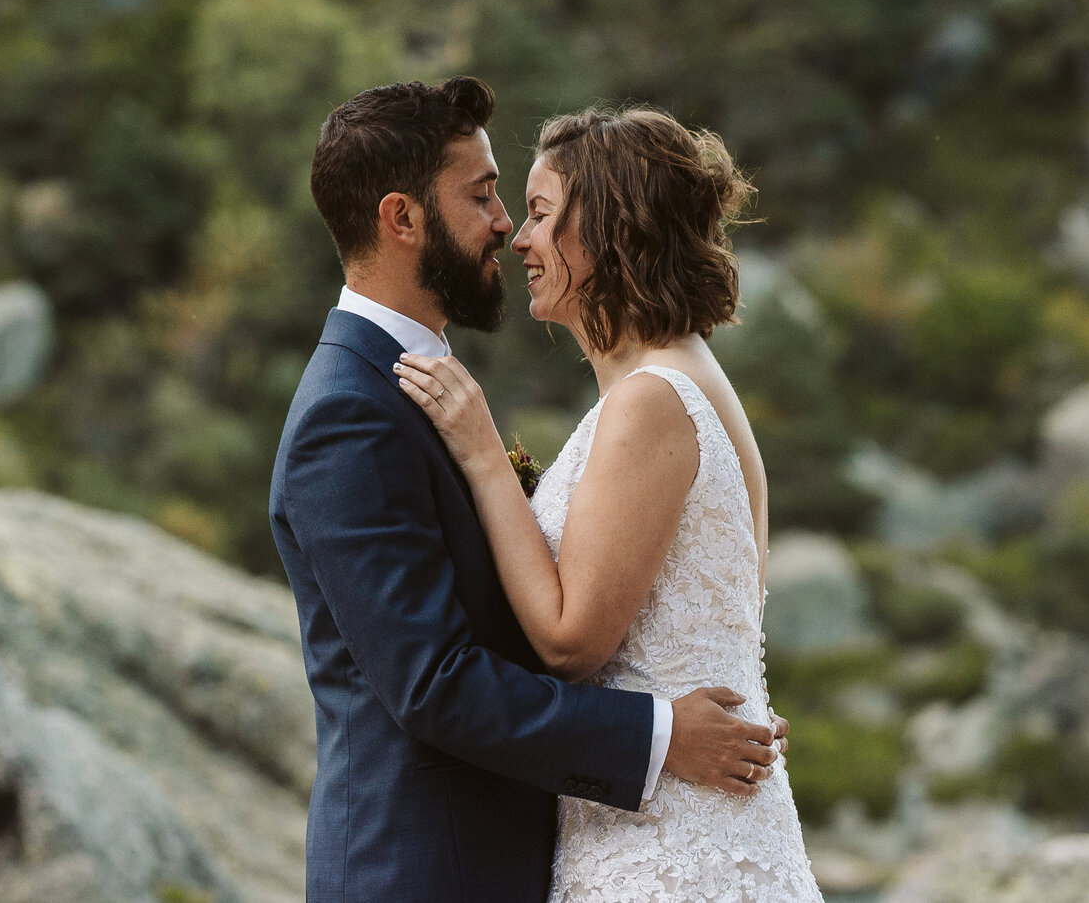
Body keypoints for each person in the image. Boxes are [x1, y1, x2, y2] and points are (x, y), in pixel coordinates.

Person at [270, 77, 786, 903]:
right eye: (484, 197)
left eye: (530, 207)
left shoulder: (454, 388)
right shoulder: (349, 411)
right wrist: (662, 733)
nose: (509, 227)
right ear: (402, 219)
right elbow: (435, 682)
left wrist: (712, 705)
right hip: (425, 872)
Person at [395, 104, 822, 902]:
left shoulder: (651, 399)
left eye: (544, 214)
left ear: (611, 228)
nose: (519, 238)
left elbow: (568, 642)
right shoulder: (690, 380)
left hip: (664, 854)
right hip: (694, 823)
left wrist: (485, 456)